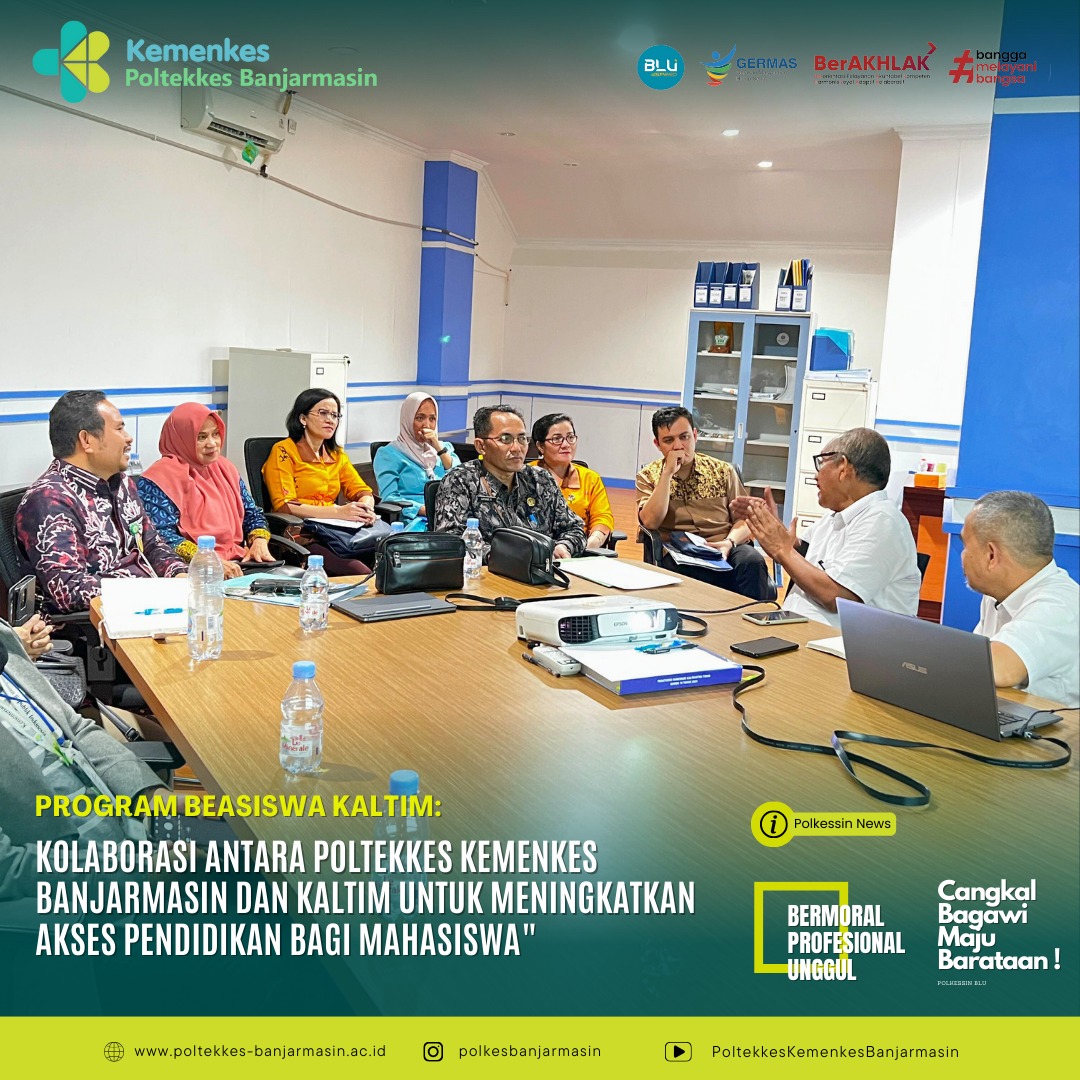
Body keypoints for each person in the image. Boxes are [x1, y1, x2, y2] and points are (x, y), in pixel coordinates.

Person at [0, 621, 168, 902]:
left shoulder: (4, 640)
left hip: (129, 834)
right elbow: (8, 869)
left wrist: (150, 794)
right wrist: (137, 875)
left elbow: (75, 728)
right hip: (85, 893)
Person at [15, 391, 186, 615]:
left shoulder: (121, 484)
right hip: (94, 624)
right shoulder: (49, 500)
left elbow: (151, 545)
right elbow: (70, 590)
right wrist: (150, 591)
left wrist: (179, 574)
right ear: (87, 440)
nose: (128, 438)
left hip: (147, 607)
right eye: (119, 429)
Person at [732, 426, 920, 627]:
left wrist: (781, 549)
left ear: (843, 467)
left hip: (838, 642)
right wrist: (773, 530)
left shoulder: (883, 521)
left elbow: (836, 597)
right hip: (796, 626)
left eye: (821, 463)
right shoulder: (836, 516)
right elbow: (803, 554)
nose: (816, 476)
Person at [637, 406, 773, 601]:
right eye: (669, 440)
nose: (678, 446)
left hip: (724, 545)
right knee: (689, 573)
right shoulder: (649, 476)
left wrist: (729, 542)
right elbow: (650, 522)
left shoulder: (722, 471)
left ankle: (751, 617)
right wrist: (667, 474)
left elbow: (745, 520)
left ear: (695, 435)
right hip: (680, 551)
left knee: (752, 561)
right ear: (657, 444)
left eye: (684, 437)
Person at [960, 490, 1079, 707]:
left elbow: (998, 669)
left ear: (991, 556)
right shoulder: (997, 594)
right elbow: (974, 659)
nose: (963, 555)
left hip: (1057, 727)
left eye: (966, 546)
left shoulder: (1059, 605)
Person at [136, 403, 276, 580]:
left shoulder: (225, 468)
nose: (212, 443)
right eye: (201, 437)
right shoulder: (158, 479)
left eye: (215, 434)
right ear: (181, 439)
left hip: (240, 563)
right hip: (192, 571)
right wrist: (209, 560)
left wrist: (259, 541)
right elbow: (161, 537)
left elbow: (252, 513)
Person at [434, 405, 586, 559]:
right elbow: (453, 542)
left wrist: (563, 546)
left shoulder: (541, 479)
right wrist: (513, 557)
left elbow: (574, 528)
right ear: (481, 446)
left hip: (543, 569)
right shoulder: (460, 481)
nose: (517, 448)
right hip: (488, 572)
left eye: (522, 439)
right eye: (505, 439)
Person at [261, 388, 377, 576]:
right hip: (302, 533)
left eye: (334, 415)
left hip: (334, 530)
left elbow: (362, 491)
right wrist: (339, 512)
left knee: (384, 562)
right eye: (323, 413)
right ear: (303, 418)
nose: (330, 420)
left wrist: (365, 508)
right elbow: (285, 505)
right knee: (360, 572)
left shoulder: (336, 455)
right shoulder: (283, 451)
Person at [373, 393, 460, 531]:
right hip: (415, 520)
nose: (427, 425)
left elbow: (460, 480)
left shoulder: (444, 449)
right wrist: (426, 510)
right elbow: (389, 497)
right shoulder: (389, 454)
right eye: (420, 418)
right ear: (407, 419)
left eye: (432, 419)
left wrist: (438, 448)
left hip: (449, 516)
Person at [530, 413, 615, 550]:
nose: (566, 445)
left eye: (570, 437)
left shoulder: (590, 479)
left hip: (578, 549)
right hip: (535, 551)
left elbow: (602, 518)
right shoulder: (525, 476)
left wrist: (591, 543)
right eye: (557, 439)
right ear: (540, 446)